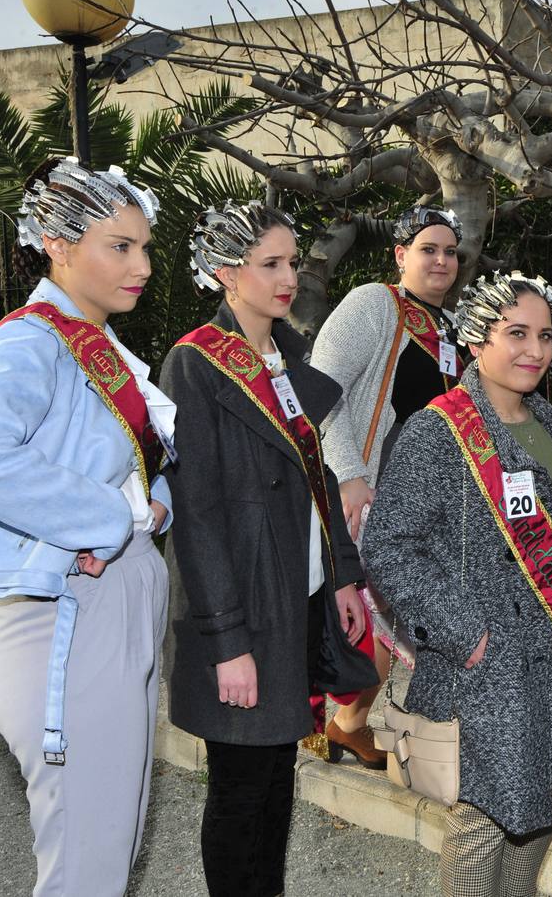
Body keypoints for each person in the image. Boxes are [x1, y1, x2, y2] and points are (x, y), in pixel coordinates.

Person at [0, 157, 173, 896]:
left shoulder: (96, 344)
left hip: (110, 602)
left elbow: (123, 467)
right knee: (85, 866)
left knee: (106, 848)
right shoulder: (32, 342)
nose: (142, 265)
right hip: (66, 614)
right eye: (119, 246)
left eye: (145, 246)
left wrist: (151, 503)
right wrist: (104, 519)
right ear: (58, 246)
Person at [363, 271, 552, 897]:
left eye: (546, 336)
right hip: (486, 666)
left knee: (541, 813)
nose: (535, 350)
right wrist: (464, 632)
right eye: (516, 334)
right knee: (482, 824)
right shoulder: (438, 430)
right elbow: (389, 546)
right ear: (476, 340)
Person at [160, 201, 374, 897]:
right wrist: (227, 640)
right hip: (244, 610)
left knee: (276, 781)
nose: (289, 279)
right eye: (271, 264)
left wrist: (343, 574)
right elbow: (195, 516)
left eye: (293, 263)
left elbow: (319, 476)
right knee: (240, 789)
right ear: (226, 272)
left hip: (296, 600)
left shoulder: (284, 360)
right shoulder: (193, 365)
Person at [310, 205, 464, 767]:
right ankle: (340, 721)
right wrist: (348, 474)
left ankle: (349, 724)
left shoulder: (454, 328)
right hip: (370, 491)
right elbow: (319, 389)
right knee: (371, 615)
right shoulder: (375, 304)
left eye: (450, 252)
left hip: (428, 504)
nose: (441, 260)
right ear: (401, 255)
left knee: (399, 617)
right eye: (428, 249)